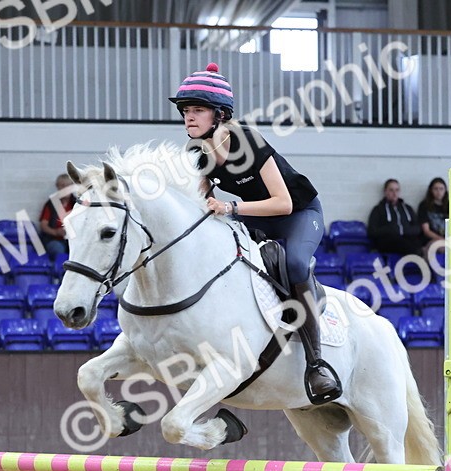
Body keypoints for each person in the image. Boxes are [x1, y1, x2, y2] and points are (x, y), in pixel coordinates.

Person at [170, 63, 341, 404]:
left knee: (294, 264)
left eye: (198, 109)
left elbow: (282, 202)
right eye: (186, 110)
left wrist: (230, 207)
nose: (189, 116)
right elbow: (201, 201)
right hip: (256, 219)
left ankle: (316, 363)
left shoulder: (247, 141)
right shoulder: (197, 153)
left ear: (220, 115)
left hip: (298, 214)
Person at [366, 179, 423, 256]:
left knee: (417, 242)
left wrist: (404, 230)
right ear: (385, 192)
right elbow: (372, 231)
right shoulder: (378, 209)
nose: (394, 193)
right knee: (403, 243)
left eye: (397, 190)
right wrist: (390, 229)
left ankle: (419, 256)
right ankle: (418, 255)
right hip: (388, 241)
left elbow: (417, 228)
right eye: (391, 190)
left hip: (407, 238)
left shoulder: (408, 208)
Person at [39, 174, 76, 258]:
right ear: (57, 187)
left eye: (69, 186)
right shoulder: (51, 204)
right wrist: (56, 232)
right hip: (54, 239)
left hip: (72, 240)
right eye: (63, 186)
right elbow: (43, 225)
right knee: (57, 248)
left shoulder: (76, 203)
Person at [417, 177, 448, 247]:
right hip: (431, 240)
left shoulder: (450, 205)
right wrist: (442, 240)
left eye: (441, 189)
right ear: (431, 190)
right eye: (435, 189)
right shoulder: (424, 205)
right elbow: (426, 231)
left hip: (449, 238)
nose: (438, 192)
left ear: (445, 190)